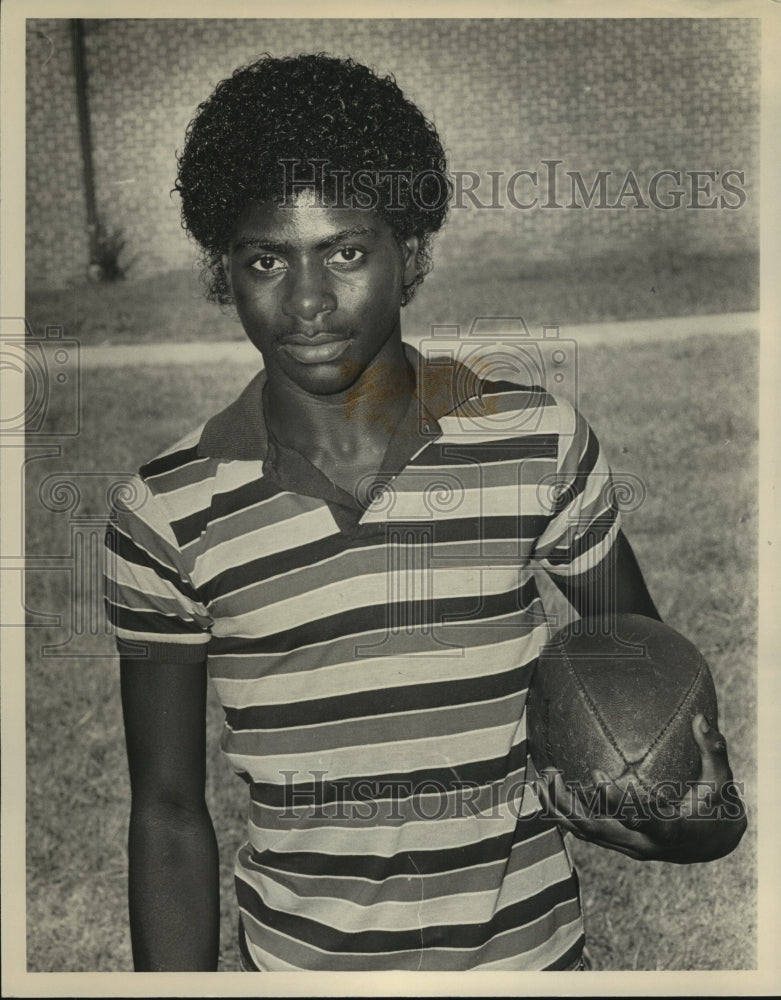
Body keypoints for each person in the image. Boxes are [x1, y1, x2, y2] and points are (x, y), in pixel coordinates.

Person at [104, 52, 746, 973]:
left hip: (529, 962)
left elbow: (645, 688)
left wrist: (692, 821)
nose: (310, 300)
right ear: (224, 270)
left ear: (412, 250)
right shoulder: (166, 511)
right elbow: (166, 812)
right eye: (264, 260)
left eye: (348, 251)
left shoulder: (535, 444)